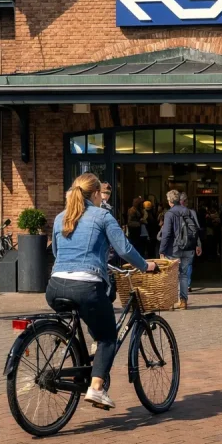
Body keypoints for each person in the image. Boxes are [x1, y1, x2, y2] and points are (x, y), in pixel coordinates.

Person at [49, 173, 156, 410]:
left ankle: (81, 371)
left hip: (55, 286)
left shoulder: (60, 217)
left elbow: (56, 252)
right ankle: (96, 388)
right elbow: (125, 249)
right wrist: (146, 265)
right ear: (96, 194)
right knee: (108, 337)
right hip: (86, 286)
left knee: (90, 319)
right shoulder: (102, 215)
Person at [159, 190, 202, 309]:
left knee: (172, 275)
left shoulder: (170, 214)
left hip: (174, 249)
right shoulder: (188, 211)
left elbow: (166, 234)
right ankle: (183, 301)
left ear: (169, 201)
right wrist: (198, 245)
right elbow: (197, 229)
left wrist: (161, 250)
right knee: (183, 275)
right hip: (189, 248)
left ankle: (171, 302)